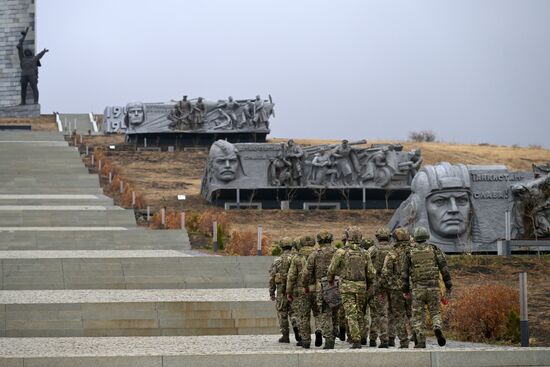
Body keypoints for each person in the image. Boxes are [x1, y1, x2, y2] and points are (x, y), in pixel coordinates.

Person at [402, 226, 453, 348]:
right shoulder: (434, 249)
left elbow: (404, 273)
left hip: (418, 289)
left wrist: (405, 290)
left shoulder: (409, 251)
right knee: (435, 312)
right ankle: (437, 327)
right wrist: (448, 285)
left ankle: (420, 342)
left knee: (418, 316)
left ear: (415, 237)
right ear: (426, 237)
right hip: (433, 287)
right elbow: (444, 269)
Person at [327, 226, 376, 349]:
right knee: (361, 313)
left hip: (347, 287)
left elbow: (331, 269)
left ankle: (356, 340)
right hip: (361, 287)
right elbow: (371, 273)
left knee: (351, 314)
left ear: (348, 237)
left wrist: (330, 280)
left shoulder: (341, 252)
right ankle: (363, 336)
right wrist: (369, 285)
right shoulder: (365, 253)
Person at [302, 230, 338, 349]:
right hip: (337, 285)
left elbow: (306, 273)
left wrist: (305, 285)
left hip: (322, 286)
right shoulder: (338, 252)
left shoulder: (315, 254)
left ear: (319, 241)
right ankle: (335, 331)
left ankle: (329, 339)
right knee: (336, 312)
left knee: (325, 313)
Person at [381, 227, 412, 349]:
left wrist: (387, 286)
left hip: (396, 290)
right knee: (413, 314)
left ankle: (404, 341)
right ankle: (420, 338)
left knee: (398, 315)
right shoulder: (413, 251)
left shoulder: (392, 253)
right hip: (412, 288)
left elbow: (385, 273)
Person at [286, 235, 318, 348]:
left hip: (302, 291)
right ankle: (319, 330)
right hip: (317, 289)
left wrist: (288, 292)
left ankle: (306, 340)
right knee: (318, 313)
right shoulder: (318, 254)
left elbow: (291, 276)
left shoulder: (297, 257)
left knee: (304, 316)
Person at [366, 227, 393, 347]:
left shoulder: (372, 250)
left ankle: (374, 339)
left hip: (377, 285)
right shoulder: (394, 250)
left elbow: (365, 265)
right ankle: (390, 338)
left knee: (376, 313)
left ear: (377, 237)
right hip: (393, 285)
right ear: (389, 237)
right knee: (391, 313)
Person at [269, 238, 296, 343]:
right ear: (291, 246)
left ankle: (285, 336)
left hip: (281, 291)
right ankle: (296, 324)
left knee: (282, 313)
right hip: (294, 291)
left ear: (281, 247)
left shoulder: (277, 261)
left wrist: (271, 292)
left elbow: (272, 278)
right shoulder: (295, 258)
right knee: (294, 312)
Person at [17, 27, 48, 105]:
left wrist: (44, 51)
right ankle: (23, 101)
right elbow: (19, 49)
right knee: (23, 89)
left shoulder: (34, 58)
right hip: (24, 75)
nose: (27, 52)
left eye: (28, 51)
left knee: (34, 88)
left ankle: (35, 101)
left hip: (32, 75)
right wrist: (20, 43)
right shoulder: (22, 58)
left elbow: (39, 56)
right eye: (26, 52)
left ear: (30, 53)